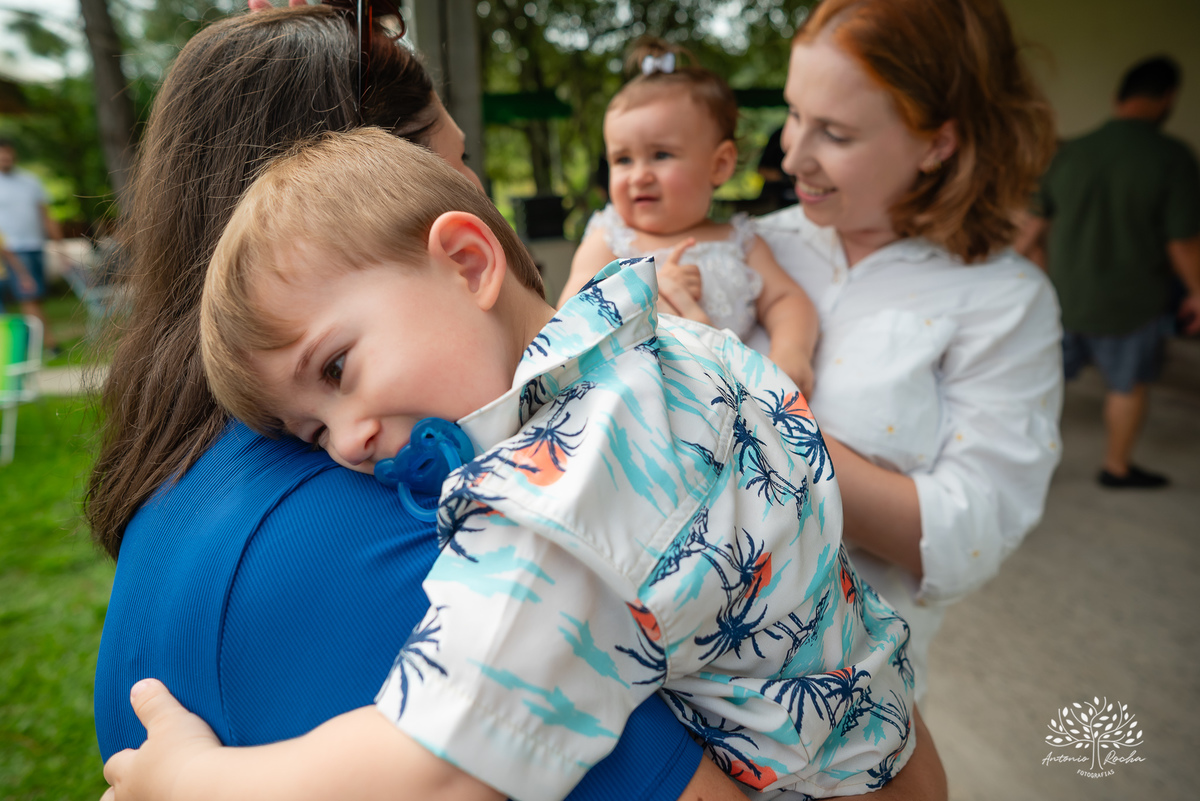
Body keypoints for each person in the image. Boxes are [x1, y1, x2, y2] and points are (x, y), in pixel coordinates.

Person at [106, 126, 915, 800]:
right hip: (876, 725)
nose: (348, 440)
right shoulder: (667, 343)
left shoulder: (565, 496)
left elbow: (442, 769)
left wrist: (189, 779)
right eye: (311, 432)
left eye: (338, 370)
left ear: (466, 262)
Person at [89, 7, 747, 801]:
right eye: (452, 160)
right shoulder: (422, 526)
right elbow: (448, 769)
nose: (344, 444)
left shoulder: (180, 485)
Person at [717, 0, 1061, 705]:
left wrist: (764, 427)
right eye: (793, 113)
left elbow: (969, 531)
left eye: (835, 133)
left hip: (840, 701)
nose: (791, 153)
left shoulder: (1004, 297)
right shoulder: (751, 245)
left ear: (938, 143)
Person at [561, 39, 819, 394]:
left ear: (719, 164)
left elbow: (787, 300)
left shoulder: (739, 240)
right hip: (640, 403)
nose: (639, 175)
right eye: (623, 160)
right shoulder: (609, 239)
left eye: (661, 155)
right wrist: (646, 294)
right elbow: (569, 325)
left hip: (729, 404)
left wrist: (791, 353)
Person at [1018, 55, 1200, 488]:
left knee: (1038, 387)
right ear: (1168, 98)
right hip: (1131, 305)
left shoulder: (1071, 152)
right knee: (1128, 386)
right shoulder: (1172, 158)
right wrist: (1197, 290)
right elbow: (1182, 242)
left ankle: (1022, 466)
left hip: (1063, 299)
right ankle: (1116, 467)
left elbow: (1029, 229)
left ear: (1120, 95)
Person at [0, 137, 61, 353]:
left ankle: (38, 346)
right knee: (29, 297)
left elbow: (46, 215)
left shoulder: (30, 181)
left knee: (36, 298)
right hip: (12, 249)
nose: (5, 157)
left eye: (7, 152)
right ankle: (49, 346)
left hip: (36, 246)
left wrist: (59, 246)